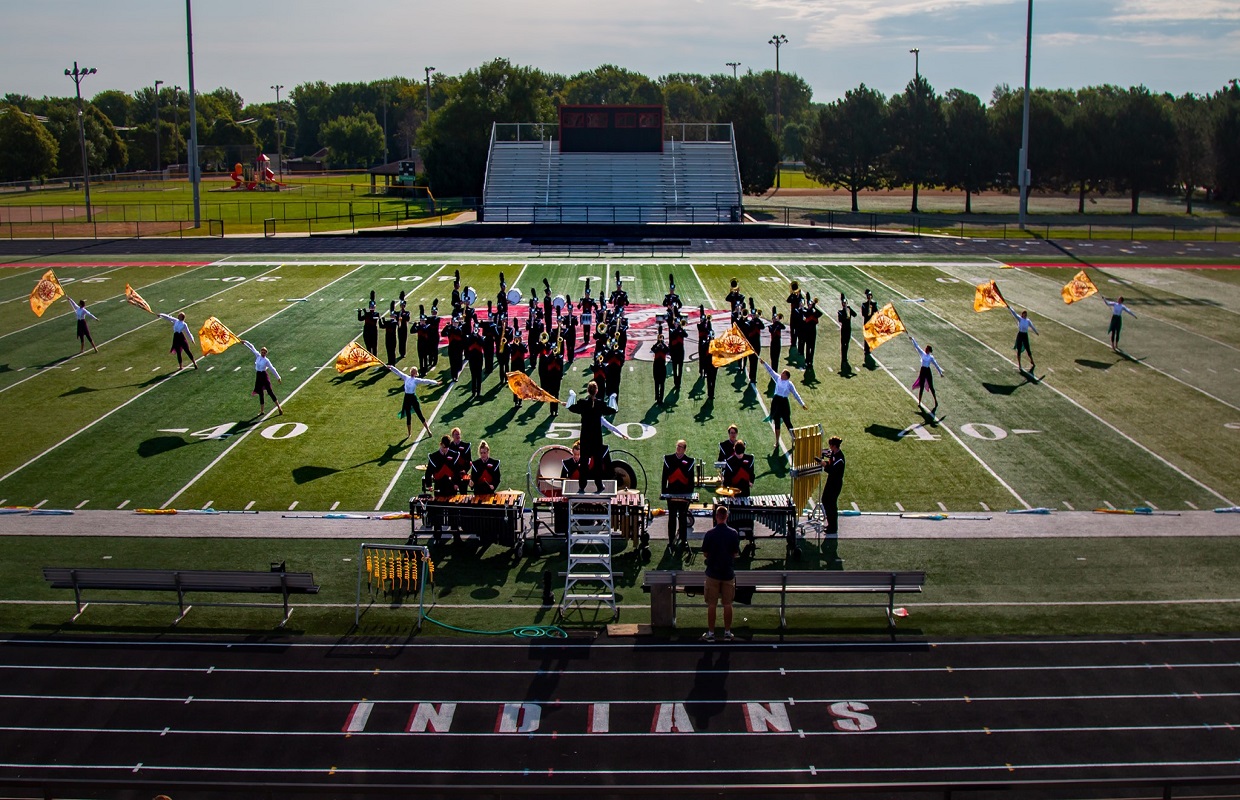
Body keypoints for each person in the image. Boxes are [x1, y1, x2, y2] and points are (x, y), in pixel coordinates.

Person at [566, 381, 624, 493]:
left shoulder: (583, 403)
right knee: (598, 463)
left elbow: (570, 407)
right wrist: (612, 398)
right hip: (596, 438)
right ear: (596, 391)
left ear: (588, 390)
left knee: (583, 463)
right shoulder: (600, 404)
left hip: (586, 437)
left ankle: (582, 486)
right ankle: (599, 485)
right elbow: (613, 410)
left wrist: (572, 396)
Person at [700, 504, 740, 642]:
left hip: (713, 573)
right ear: (726, 517)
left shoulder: (710, 534)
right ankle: (727, 632)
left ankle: (711, 633)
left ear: (716, 517)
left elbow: (705, 553)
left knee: (712, 604)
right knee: (727, 604)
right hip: (728, 573)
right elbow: (735, 553)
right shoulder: (733, 533)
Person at [760, 359, 807, 451]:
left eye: (783, 373)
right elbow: (770, 371)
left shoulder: (789, 384)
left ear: (786, 376)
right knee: (776, 423)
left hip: (784, 403)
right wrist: (764, 363)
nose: (781, 374)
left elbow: (795, 394)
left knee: (787, 422)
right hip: (776, 402)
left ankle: (795, 439)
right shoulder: (777, 378)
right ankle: (777, 442)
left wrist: (802, 404)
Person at [386, 364, 439, 438]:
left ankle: (428, 430)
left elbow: (425, 381)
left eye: (414, 372)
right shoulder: (406, 377)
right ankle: (409, 433)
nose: (412, 373)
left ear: (415, 373)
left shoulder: (416, 380)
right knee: (408, 416)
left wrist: (435, 382)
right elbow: (398, 372)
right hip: (407, 398)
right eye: (412, 371)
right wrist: (391, 367)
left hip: (413, 398)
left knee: (419, 414)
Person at [661, 439, 695, 547]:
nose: (678, 448)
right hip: (671, 493)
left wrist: (690, 494)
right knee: (672, 517)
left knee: (682, 516)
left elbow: (691, 480)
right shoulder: (668, 459)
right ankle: (671, 540)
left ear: (684, 449)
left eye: (680, 447)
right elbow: (664, 477)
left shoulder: (689, 461)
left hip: (684, 494)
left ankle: (683, 539)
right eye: (677, 446)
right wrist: (664, 492)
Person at [242, 340, 283, 416]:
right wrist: (245, 342)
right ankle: (262, 411)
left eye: (264, 353)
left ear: (266, 353)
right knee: (260, 393)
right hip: (258, 376)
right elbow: (252, 347)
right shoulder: (257, 356)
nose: (263, 353)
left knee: (270, 392)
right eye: (262, 352)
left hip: (264, 375)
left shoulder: (266, 360)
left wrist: (278, 377)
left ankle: (279, 407)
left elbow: (272, 368)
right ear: (260, 352)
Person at [909, 336, 944, 410]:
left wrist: (940, 372)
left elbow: (936, 365)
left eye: (927, 349)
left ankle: (935, 400)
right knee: (921, 387)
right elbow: (917, 347)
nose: (925, 349)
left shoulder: (931, 357)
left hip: (927, 371)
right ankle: (919, 402)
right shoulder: (922, 354)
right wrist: (913, 339)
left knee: (931, 386)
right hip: (923, 371)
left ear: (929, 350)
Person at [819, 435, 845, 535]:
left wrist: (824, 464)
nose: (829, 447)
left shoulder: (840, 459)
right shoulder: (834, 453)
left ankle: (833, 527)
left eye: (830, 445)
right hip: (831, 482)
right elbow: (827, 453)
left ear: (834, 446)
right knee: (825, 500)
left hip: (835, 484)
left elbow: (832, 471)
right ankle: (831, 524)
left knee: (831, 504)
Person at [1008, 306, 1039, 372]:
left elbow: (1032, 326)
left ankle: (1032, 360)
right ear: (1022, 315)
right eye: (1024, 314)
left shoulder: (1028, 321)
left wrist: (1036, 332)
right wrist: (1009, 308)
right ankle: (1019, 364)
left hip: (1025, 335)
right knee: (1019, 349)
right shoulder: (1020, 319)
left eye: (1025, 314)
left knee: (1028, 348)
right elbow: (1014, 313)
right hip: (1020, 335)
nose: (1025, 315)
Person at [838, 295, 858, 373]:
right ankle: (843, 358)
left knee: (847, 343)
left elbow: (855, 314)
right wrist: (845, 315)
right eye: (843, 303)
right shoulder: (840, 312)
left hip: (848, 329)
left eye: (846, 303)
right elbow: (840, 320)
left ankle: (845, 357)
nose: (845, 304)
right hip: (844, 329)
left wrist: (849, 309)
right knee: (843, 344)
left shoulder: (849, 310)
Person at [668, 315, 686, 391]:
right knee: (675, 369)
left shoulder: (681, 330)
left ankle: (679, 382)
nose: (677, 324)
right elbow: (672, 336)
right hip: (675, 352)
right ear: (674, 323)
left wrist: (681, 329)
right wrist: (677, 329)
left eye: (678, 323)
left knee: (680, 369)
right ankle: (676, 382)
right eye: (676, 323)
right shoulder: (672, 330)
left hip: (681, 352)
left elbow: (686, 335)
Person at [651, 331, 669, 405]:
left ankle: (661, 398)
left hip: (662, 366)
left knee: (662, 383)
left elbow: (668, 350)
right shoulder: (657, 347)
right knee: (656, 382)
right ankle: (657, 397)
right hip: (656, 366)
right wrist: (657, 343)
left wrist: (663, 343)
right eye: (660, 339)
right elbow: (652, 349)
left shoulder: (664, 347)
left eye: (662, 339)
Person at [860, 289, 878, 362]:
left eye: (870, 296)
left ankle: (869, 349)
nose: (869, 297)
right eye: (868, 296)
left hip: (872, 322)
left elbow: (876, 312)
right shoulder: (864, 304)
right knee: (866, 337)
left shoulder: (874, 304)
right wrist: (868, 311)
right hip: (867, 322)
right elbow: (863, 314)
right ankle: (866, 349)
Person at [381, 301, 399, 365]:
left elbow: (393, 323)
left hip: (392, 339)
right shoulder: (389, 322)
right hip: (388, 339)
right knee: (388, 351)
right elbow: (382, 326)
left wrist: (384, 321)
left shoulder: (394, 323)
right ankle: (389, 362)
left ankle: (393, 363)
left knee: (392, 351)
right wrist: (381, 320)